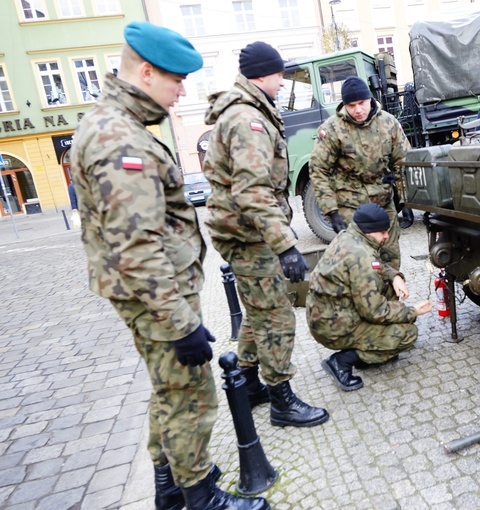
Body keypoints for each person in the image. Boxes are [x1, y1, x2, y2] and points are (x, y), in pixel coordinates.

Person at [70, 22, 268, 510]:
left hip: (155, 294)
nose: (181, 92)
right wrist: (182, 325)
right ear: (146, 71)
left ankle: (170, 483)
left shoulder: (118, 123)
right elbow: (137, 247)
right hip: (157, 300)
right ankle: (199, 496)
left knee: (167, 390)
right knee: (188, 394)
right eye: (176, 80)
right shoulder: (120, 139)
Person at [203, 41, 329, 428]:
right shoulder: (247, 119)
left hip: (245, 230)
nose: (283, 81)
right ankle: (281, 400)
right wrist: (286, 245)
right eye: (281, 74)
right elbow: (252, 190)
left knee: (257, 313)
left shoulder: (248, 110)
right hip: (250, 234)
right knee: (276, 315)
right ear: (266, 73)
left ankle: (248, 384)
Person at [306, 203, 432, 391]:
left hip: (327, 314)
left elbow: (376, 265)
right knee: (407, 334)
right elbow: (375, 311)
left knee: (389, 287)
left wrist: (394, 276)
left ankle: (371, 347)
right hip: (333, 328)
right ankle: (341, 361)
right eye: (382, 232)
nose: (387, 236)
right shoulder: (362, 257)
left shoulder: (350, 236)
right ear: (369, 231)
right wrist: (412, 311)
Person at [308, 75, 410, 269]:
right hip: (350, 206)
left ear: (370, 99)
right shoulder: (332, 129)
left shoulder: (388, 123)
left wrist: (406, 199)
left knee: (390, 258)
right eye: (351, 105)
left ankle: (391, 297)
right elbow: (318, 169)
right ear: (344, 105)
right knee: (359, 264)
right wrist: (331, 211)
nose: (358, 110)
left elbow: (403, 162)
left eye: (362, 103)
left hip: (383, 202)